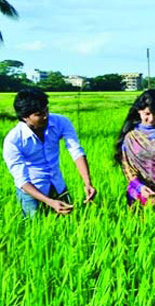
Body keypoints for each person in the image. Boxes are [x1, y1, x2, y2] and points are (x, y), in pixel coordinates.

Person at [3, 88, 96, 217]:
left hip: (58, 184)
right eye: (39, 114)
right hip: (32, 190)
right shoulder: (13, 141)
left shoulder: (60, 122)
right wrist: (50, 202)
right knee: (35, 229)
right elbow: (21, 179)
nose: (46, 116)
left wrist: (87, 183)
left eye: (46, 110)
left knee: (69, 223)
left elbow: (76, 151)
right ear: (25, 117)